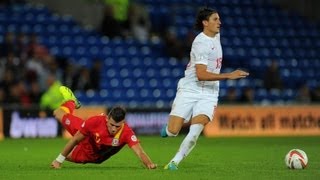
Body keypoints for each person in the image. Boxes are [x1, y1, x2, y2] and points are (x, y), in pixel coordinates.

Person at [160, 7, 249, 170]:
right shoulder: (201, 43)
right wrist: (228, 75)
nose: (219, 22)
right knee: (173, 131)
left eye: (219, 19)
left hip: (209, 93)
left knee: (194, 133)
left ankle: (174, 162)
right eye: (215, 19)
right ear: (205, 23)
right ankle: (167, 130)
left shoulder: (216, 35)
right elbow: (201, 74)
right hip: (190, 88)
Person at [51, 86, 157, 169]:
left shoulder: (127, 133)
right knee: (57, 113)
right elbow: (75, 139)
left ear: (123, 122)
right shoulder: (94, 122)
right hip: (86, 134)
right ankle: (72, 101)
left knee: (68, 157)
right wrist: (58, 160)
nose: (114, 129)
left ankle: (71, 102)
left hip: (91, 155)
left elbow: (139, 152)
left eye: (117, 126)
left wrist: (149, 164)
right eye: (111, 125)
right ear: (107, 118)